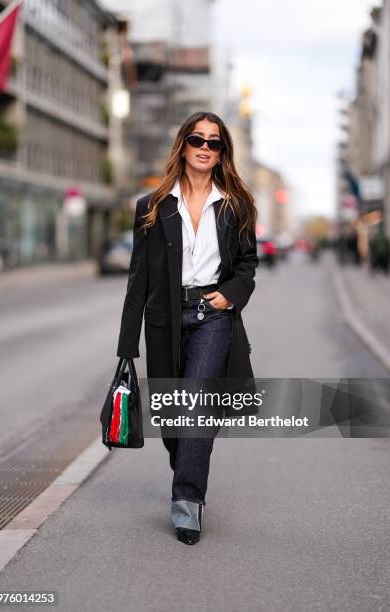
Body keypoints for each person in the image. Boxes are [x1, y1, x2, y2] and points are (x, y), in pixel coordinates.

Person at [117, 111, 259, 545]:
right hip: (164, 322)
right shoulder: (153, 206)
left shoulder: (236, 204)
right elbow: (138, 278)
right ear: (182, 144)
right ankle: (189, 467)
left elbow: (247, 264)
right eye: (197, 138)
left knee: (196, 404)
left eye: (214, 142)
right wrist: (126, 346)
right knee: (174, 422)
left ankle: (187, 504)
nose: (204, 146)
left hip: (213, 315)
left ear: (221, 153)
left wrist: (230, 294)